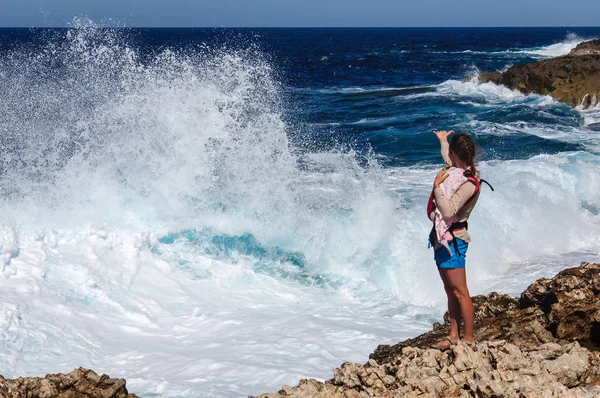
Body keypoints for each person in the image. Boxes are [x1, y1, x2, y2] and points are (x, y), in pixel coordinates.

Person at [429, 130, 481, 347]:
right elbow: (449, 160)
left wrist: (437, 187)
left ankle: (468, 340)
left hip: (454, 241)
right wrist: (443, 141)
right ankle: (453, 336)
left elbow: (449, 211)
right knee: (450, 290)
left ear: (456, 154)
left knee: (461, 292)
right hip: (441, 239)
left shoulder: (468, 183)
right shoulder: (458, 169)